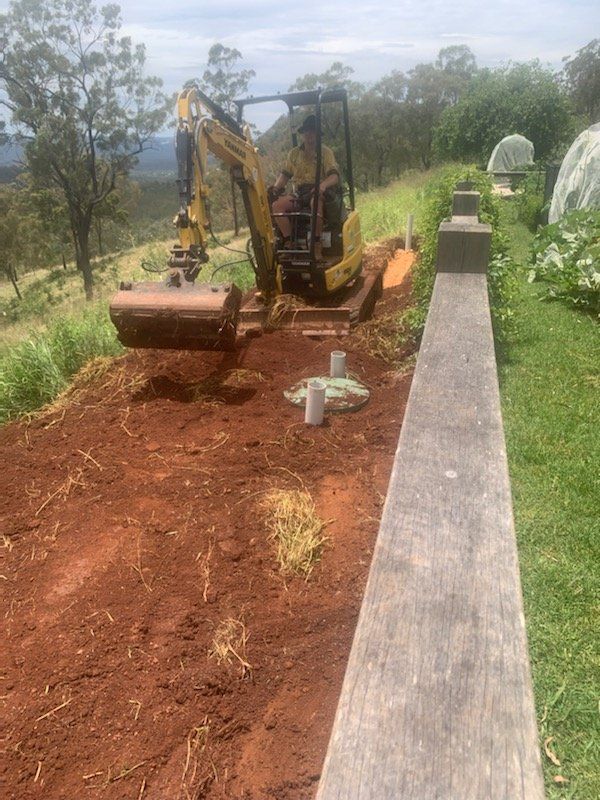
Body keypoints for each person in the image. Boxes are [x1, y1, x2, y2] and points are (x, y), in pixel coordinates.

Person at [269, 114, 340, 260]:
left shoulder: (325, 152)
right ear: (303, 134)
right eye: (307, 131)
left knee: (315, 204)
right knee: (277, 207)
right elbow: (285, 175)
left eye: (313, 131)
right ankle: (290, 243)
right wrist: (275, 189)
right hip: (299, 193)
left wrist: (322, 185)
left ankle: (316, 244)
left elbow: (334, 176)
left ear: (317, 134)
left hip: (317, 191)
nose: (309, 134)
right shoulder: (294, 154)